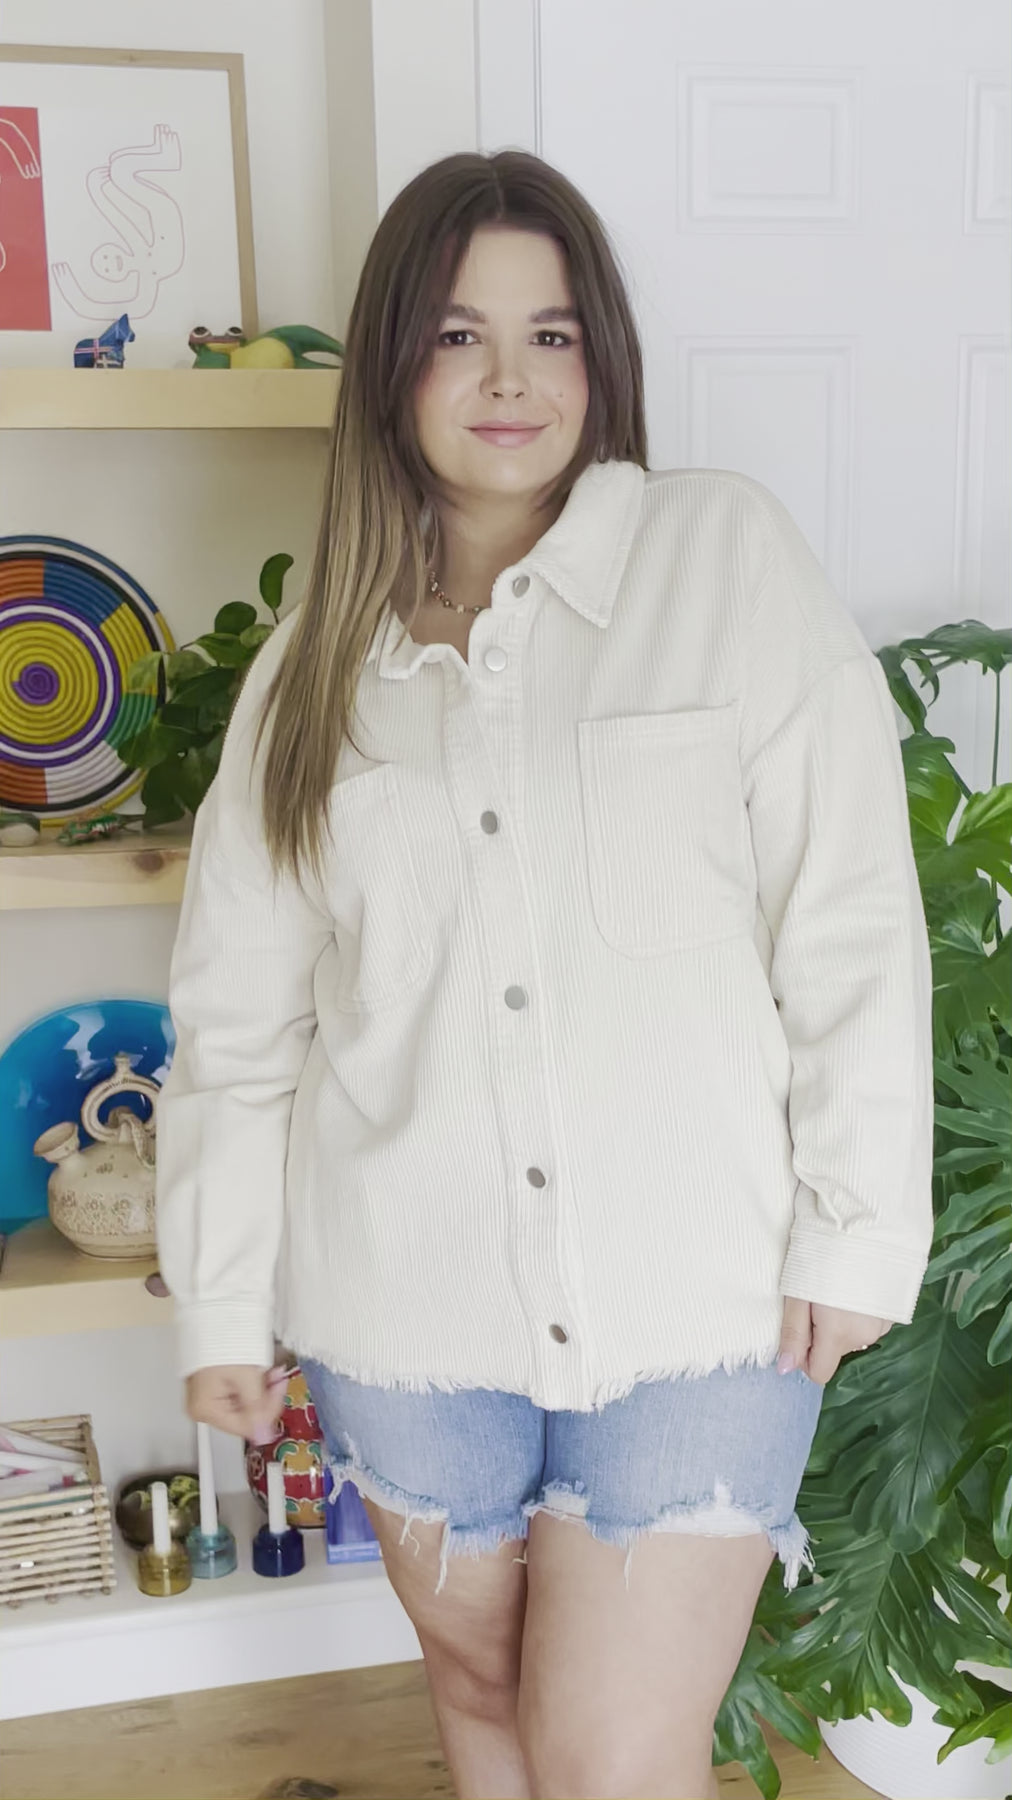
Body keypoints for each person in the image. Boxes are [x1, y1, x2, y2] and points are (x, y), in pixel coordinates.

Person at [155, 150, 935, 1800]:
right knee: (485, 1688)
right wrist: (221, 1297)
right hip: (405, 1305)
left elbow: (851, 916)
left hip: (702, 1302)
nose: (510, 378)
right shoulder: (311, 671)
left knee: (609, 1752)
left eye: (552, 334)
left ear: (601, 359)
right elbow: (237, 1025)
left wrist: (861, 1224)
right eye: (459, 334)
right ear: (392, 368)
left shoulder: (722, 557)